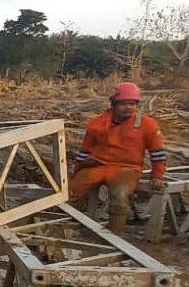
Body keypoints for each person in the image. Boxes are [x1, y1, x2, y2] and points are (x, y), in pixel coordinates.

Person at [70, 82, 167, 235]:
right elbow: (84, 151)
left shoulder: (148, 124)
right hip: (98, 166)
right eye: (123, 104)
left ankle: (113, 235)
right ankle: (67, 226)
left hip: (127, 169)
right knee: (71, 191)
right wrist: (77, 173)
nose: (128, 107)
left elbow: (158, 153)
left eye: (132, 104)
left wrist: (158, 176)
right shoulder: (97, 124)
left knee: (119, 196)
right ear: (113, 104)